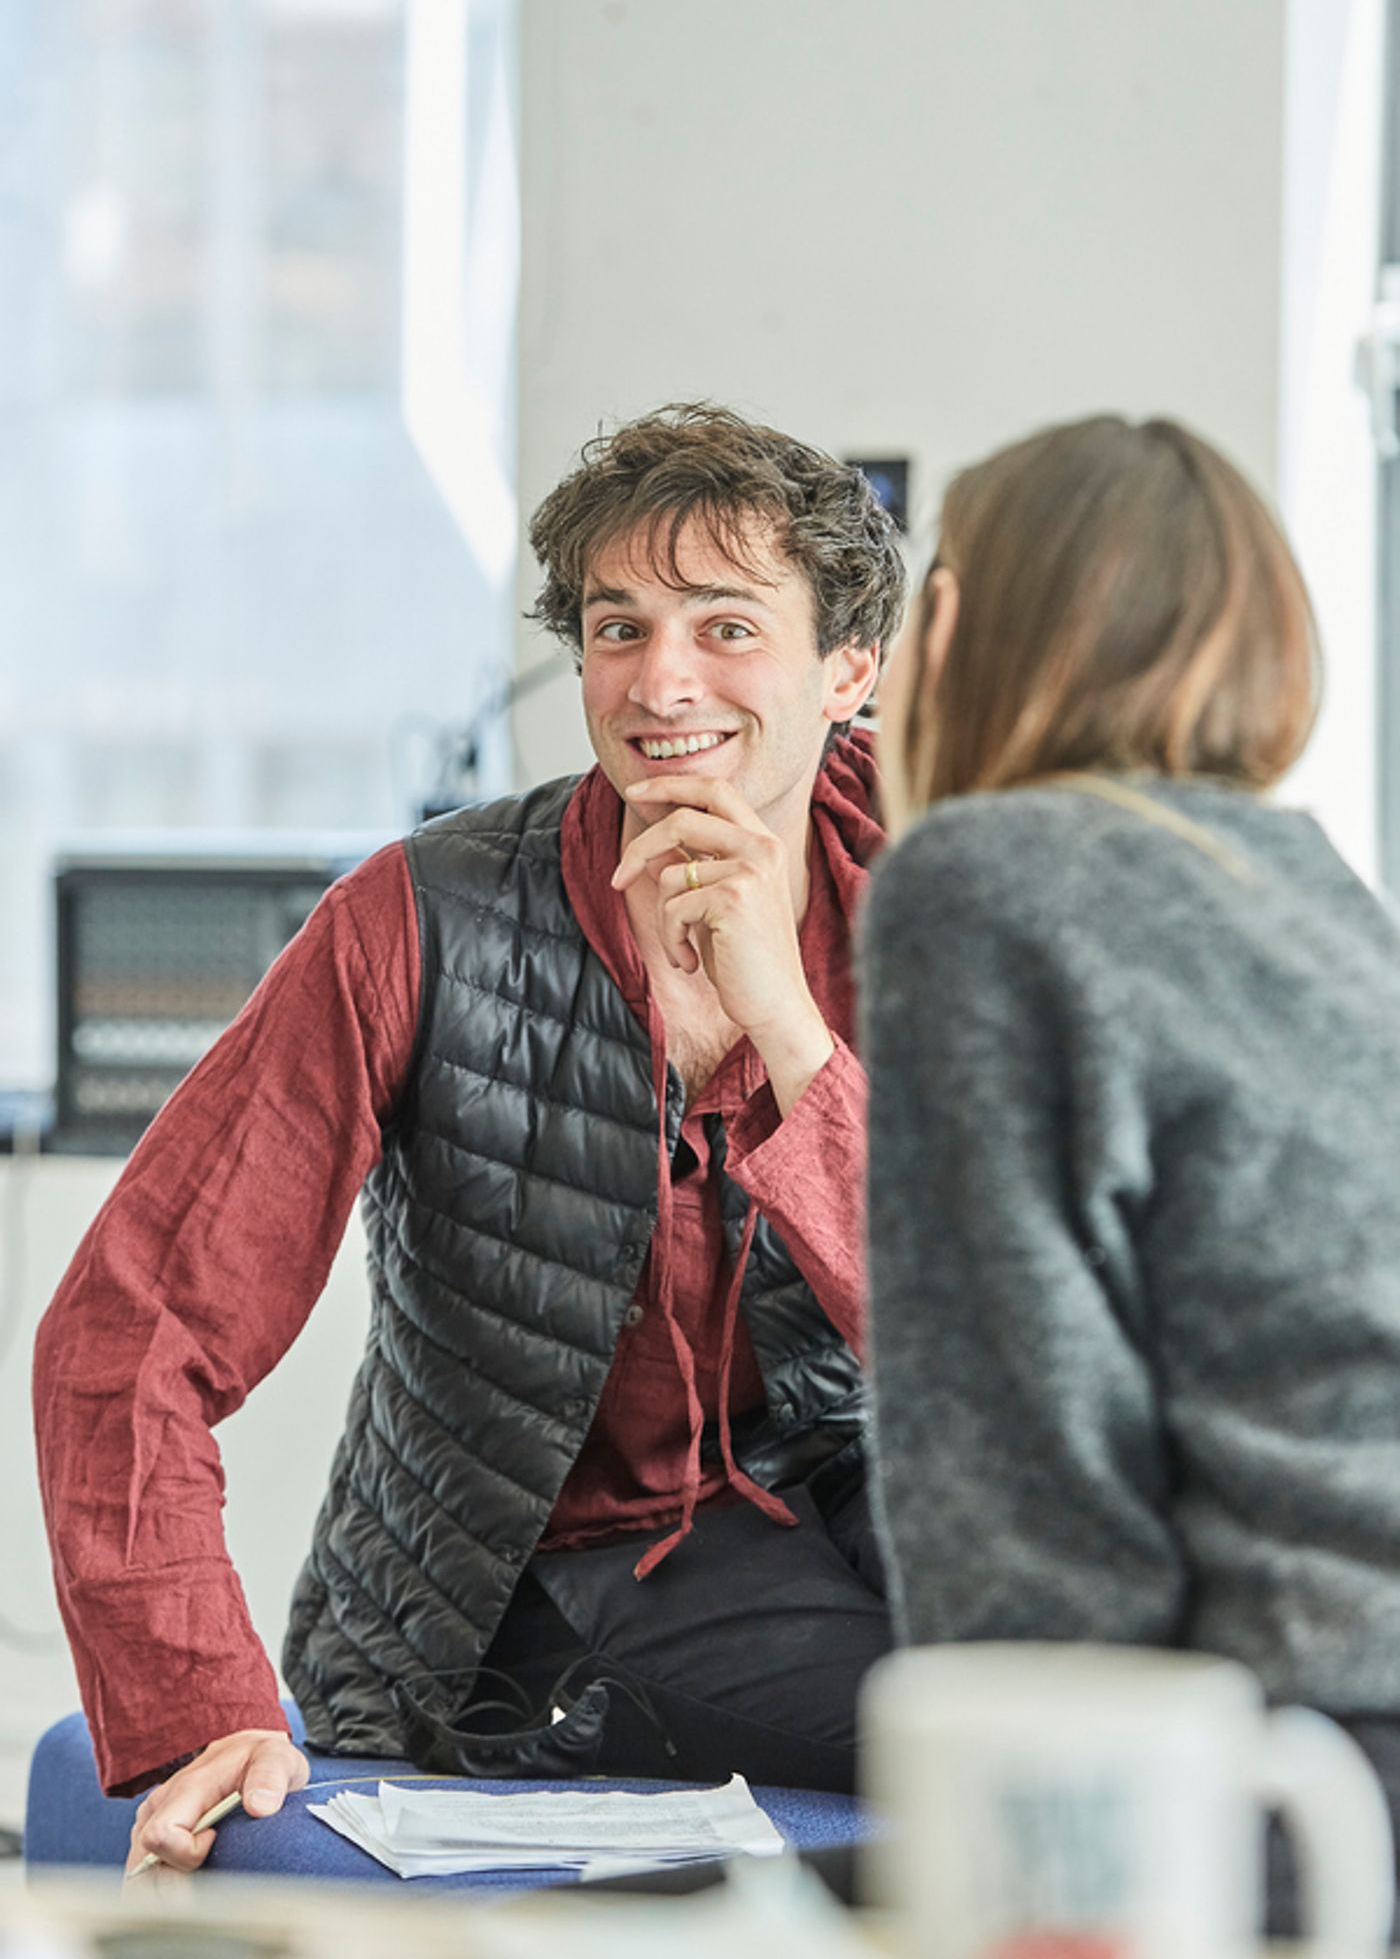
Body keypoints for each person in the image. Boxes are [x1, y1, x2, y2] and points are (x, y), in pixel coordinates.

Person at [34, 402, 907, 1874]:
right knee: (957, 1738)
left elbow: (1004, 1341)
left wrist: (791, 1030)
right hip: (537, 1581)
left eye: (726, 626)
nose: (661, 681)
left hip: (851, 1498)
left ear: (851, 668)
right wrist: (197, 1701)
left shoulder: (927, 882)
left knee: (1178, 1699)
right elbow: (126, 1336)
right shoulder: (421, 916)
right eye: (619, 628)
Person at [860, 412, 1400, 1870]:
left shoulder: (977, 883)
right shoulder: (1303, 883)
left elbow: (1023, 1492)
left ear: (956, 621)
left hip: (1317, 1761)